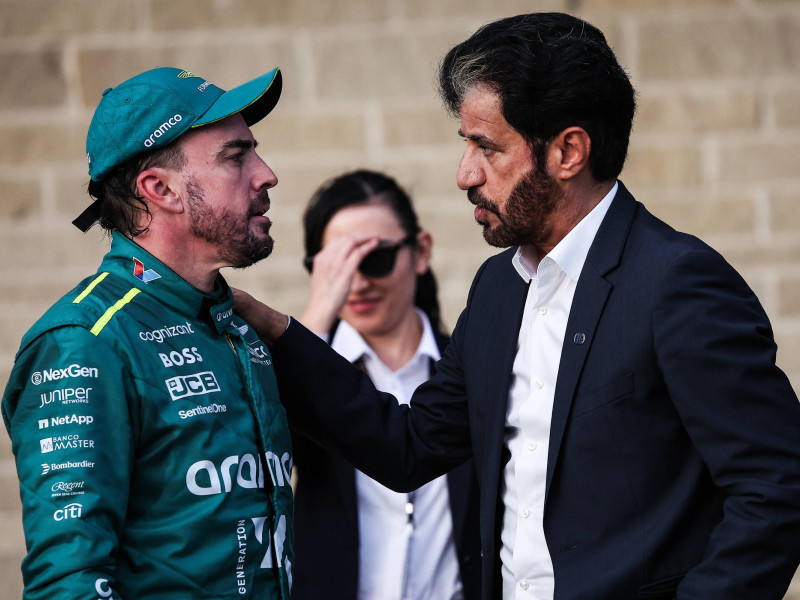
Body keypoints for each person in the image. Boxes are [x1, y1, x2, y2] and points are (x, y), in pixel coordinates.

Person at [234, 11, 800, 600]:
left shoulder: (677, 282)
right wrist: (278, 330)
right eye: (465, 144)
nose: (464, 174)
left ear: (568, 151)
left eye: (487, 146)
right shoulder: (497, 289)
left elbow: (778, 488)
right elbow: (408, 445)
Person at [2, 66, 295, 599]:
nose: (266, 173)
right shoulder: (85, 341)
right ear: (160, 189)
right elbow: (69, 583)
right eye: (236, 157)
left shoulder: (238, 326)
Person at [291, 169, 480, 600]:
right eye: (337, 266)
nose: (357, 282)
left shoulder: (469, 367)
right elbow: (270, 454)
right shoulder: (309, 376)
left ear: (420, 251)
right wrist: (316, 320)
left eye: (373, 258)